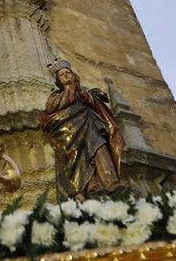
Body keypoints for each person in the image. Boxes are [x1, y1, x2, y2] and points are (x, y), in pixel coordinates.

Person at [38, 58, 124, 198]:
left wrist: (87, 96)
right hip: (70, 136)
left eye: (68, 72)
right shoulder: (55, 97)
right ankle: (90, 185)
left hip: (91, 128)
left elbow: (96, 103)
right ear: (57, 80)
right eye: (61, 74)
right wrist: (70, 91)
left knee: (99, 148)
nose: (65, 75)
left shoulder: (84, 95)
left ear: (74, 75)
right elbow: (52, 108)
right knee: (79, 159)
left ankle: (110, 181)